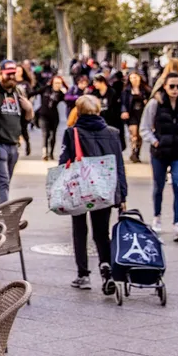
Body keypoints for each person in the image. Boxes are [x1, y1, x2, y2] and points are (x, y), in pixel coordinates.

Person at [59, 96, 127, 289]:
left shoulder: (72, 133)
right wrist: (122, 195)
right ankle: (106, 269)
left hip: (79, 190)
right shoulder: (113, 133)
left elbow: (64, 162)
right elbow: (119, 165)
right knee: (102, 232)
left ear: (78, 112)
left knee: (80, 231)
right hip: (104, 189)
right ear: (99, 111)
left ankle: (83, 275)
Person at [140, 61, 178, 239]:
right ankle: (157, 217)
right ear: (164, 86)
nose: (175, 90)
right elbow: (145, 127)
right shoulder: (155, 104)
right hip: (160, 152)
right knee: (158, 186)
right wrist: (155, 141)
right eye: (171, 86)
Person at [0, 61, 34, 203]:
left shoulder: (19, 92)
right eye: (8, 74)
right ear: (0, 73)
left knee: (6, 182)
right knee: (3, 181)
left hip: (14, 144)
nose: (12, 77)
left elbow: (27, 119)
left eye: (13, 74)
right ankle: (4, 218)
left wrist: (29, 109)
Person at [93, 73, 127, 153]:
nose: (94, 84)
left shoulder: (112, 92)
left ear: (102, 82)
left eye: (96, 82)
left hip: (113, 119)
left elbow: (116, 106)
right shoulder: (94, 93)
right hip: (100, 119)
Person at [121, 72, 151, 164]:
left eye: (135, 77)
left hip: (142, 114)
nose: (134, 79)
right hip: (132, 114)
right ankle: (133, 151)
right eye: (132, 78)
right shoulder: (126, 90)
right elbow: (123, 102)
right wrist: (124, 111)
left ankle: (138, 152)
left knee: (139, 135)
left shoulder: (145, 90)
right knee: (133, 133)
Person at [37, 75, 67, 161]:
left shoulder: (61, 93)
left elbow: (68, 102)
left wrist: (66, 92)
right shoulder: (46, 89)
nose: (57, 85)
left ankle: (51, 153)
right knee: (45, 134)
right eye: (56, 83)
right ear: (52, 82)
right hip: (43, 115)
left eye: (59, 83)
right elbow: (33, 93)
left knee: (53, 135)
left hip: (54, 116)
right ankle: (44, 153)